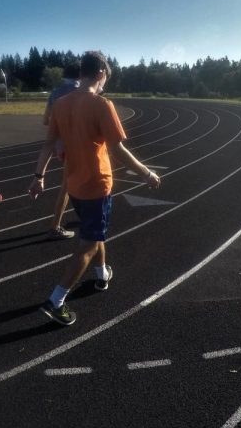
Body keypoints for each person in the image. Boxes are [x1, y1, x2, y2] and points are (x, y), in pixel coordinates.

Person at [29, 50, 161, 326]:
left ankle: (102, 274)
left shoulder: (60, 104)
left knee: (96, 230)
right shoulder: (101, 104)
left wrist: (38, 175)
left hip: (75, 185)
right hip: (97, 184)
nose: (105, 84)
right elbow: (118, 149)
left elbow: (47, 145)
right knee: (88, 244)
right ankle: (56, 300)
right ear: (100, 74)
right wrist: (146, 173)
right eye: (106, 79)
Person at [41, 60, 81, 240]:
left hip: (62, 147)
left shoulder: (55, 93)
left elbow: (45, 121)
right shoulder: (87, 92)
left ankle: (61, 223)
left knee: (70, 184)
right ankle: (55, 226)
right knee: (69, 186)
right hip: (83, 146)